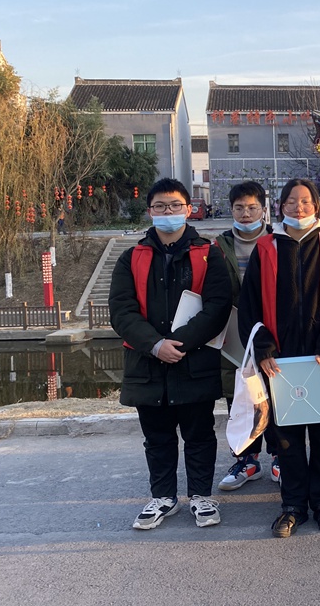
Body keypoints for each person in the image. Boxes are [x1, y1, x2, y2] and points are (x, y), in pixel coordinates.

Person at [109, 178, 232, 530]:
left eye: (175, 205)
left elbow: (218, 306)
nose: (168, 212)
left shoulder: (208, 253)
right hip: (147, 363)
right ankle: (163, 497)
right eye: (160, 206)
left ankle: (200, 496)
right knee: (157, 437)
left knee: (199, 434)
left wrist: (178, 343)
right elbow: (121, 311)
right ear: (150, 211)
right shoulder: (132, 257)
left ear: (188, 209)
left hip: (193, 359)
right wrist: (155, 344)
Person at [238, 178, 320, 538]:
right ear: (281, 207)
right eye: (291, 201)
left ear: (317, 206)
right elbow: (249, 304)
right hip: (281, 362)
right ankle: (292, 505)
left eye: (305, 201)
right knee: (286, 437)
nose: (299, 207)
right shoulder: (267, 247)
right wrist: (263, 349)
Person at [212, 181, 282, 490]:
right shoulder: (219, 247)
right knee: (240, 395)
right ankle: (246, 460)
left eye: (252, 207)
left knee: (276, 392)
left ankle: (280, 457)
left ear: (263, 210)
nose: (246, 213)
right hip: (234, 330)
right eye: (239, 208)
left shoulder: (279, 241)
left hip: (273, 329)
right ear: (231, 210)